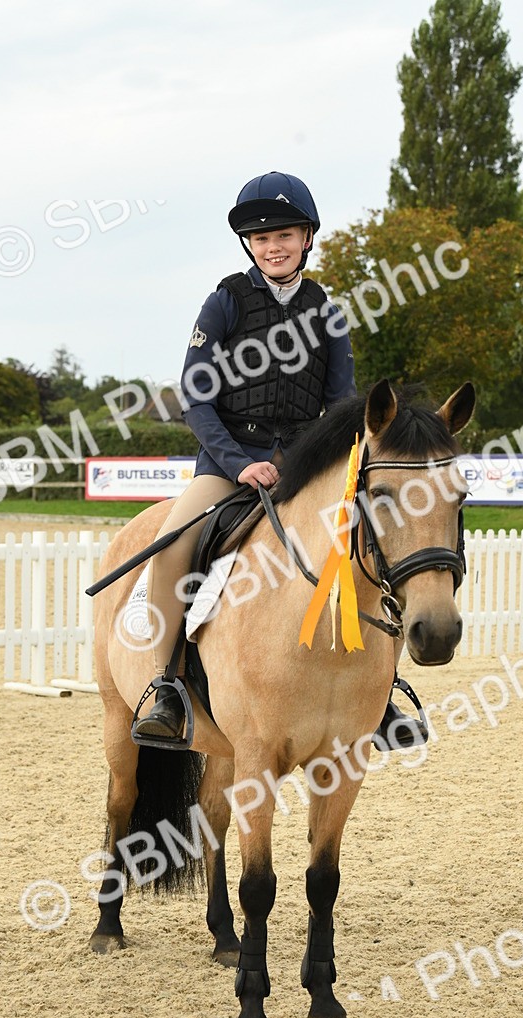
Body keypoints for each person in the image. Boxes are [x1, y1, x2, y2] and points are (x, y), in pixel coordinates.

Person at [134, 171, 423, 748]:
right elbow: (196, 395)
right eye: (262, 238)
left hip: (303, 464)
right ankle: (165, 686)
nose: (274, 246)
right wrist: (238, 463)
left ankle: (382, 689)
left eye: (286, 234)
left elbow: (345, 406)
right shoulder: (223, 305)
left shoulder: (327, 314)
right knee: (170, 553)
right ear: (249, 245)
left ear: (307, 238)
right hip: (227, 465)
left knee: (369, 548)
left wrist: (319, 464)